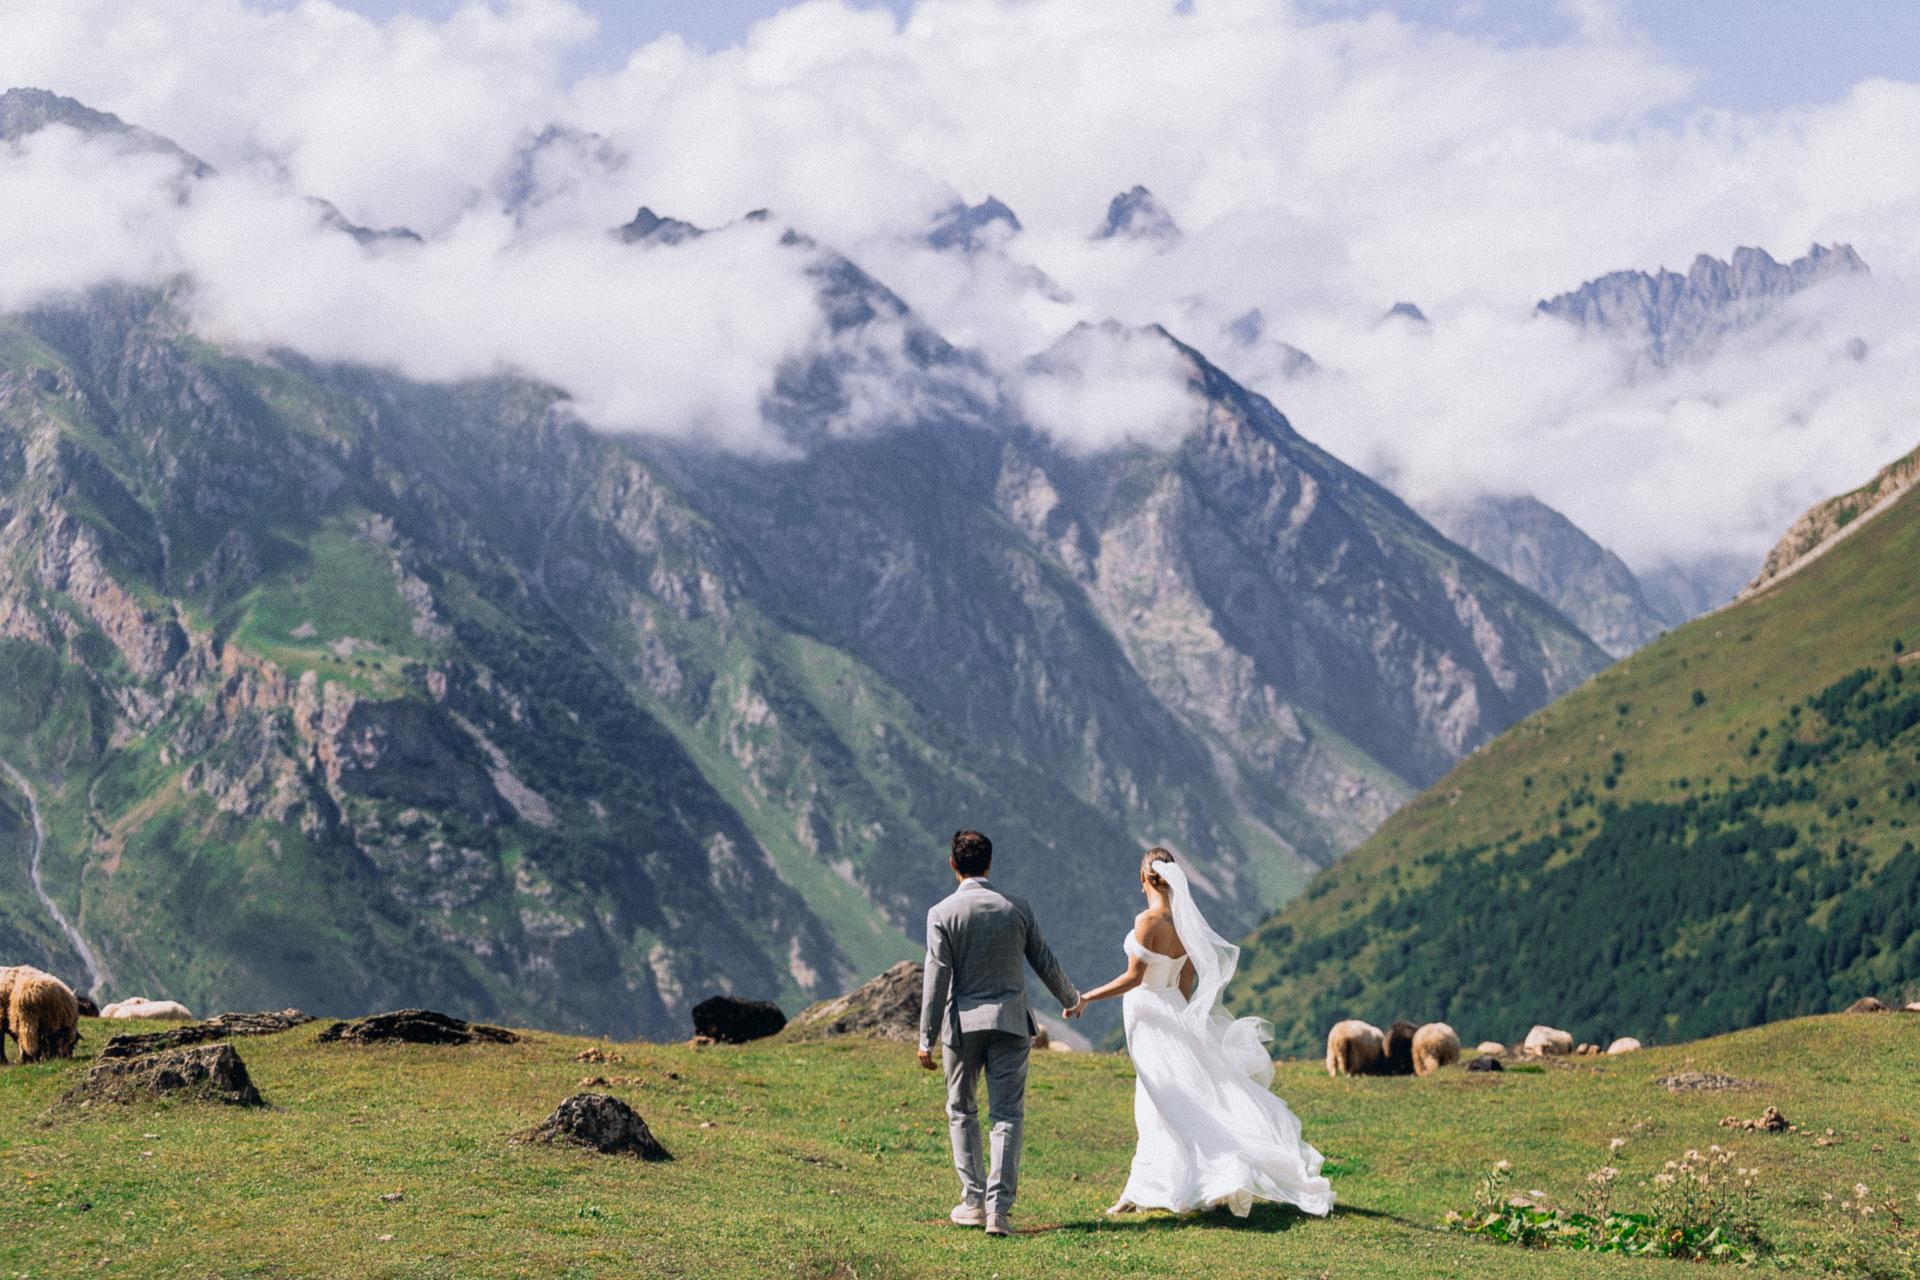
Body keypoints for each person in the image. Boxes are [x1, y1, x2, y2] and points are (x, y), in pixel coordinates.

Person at [1067, 847, 1334, 1219]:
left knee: (1160, 1101)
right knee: (1164, 1098)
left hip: (1149, 1017)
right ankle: (1156, 1185)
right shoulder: (1183, 922)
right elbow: (1186, 979)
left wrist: (1086, 998)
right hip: (1172, 1010)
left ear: (1144, 877)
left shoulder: (1146, 921)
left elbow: (1135, 977)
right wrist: (1184, 1018)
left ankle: (1169, 1184)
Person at [917, 829, 1080, 1238]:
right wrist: (1071, 997)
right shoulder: (1016, 908)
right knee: (1007, 1116)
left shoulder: (942, 913)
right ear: (989, 864)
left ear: (953, 865)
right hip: (1010, 1023)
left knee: (962, 1109)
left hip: (962, 1026)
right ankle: (998, 1213)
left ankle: (972, 1200)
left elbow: (936, 979)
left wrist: (926, 1037)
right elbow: (1044, 959)